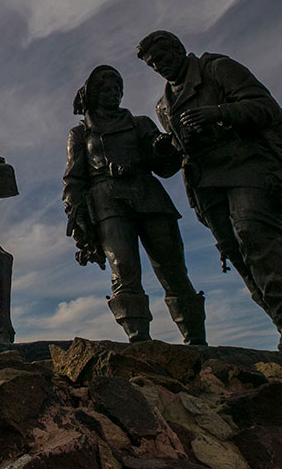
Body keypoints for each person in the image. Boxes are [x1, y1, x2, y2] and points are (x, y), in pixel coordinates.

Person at [136, 30, 282, 351]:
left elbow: (265, 108)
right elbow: (173, 160)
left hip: (248, 168)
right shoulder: (163, 106)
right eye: (154, 65)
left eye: (163, 58)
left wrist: (219, 113)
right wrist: (165, 146)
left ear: (179, 49)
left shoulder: (217, 69)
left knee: (254, 236)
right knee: (237, 254)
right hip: (205, 186)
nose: (161, 67)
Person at [63, 65, 206, 344]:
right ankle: (139, 339)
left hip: (149, 197)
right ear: (92, 94)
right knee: (124, 270)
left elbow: (163, 166)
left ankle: (196, 340)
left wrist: (164, 147)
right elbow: (73, 178)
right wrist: (76, 214)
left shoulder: (140, 123)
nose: (113, 94)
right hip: (107, 202)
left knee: (172, 268)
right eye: (106, 89)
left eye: (117, 89)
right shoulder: (80, 134)